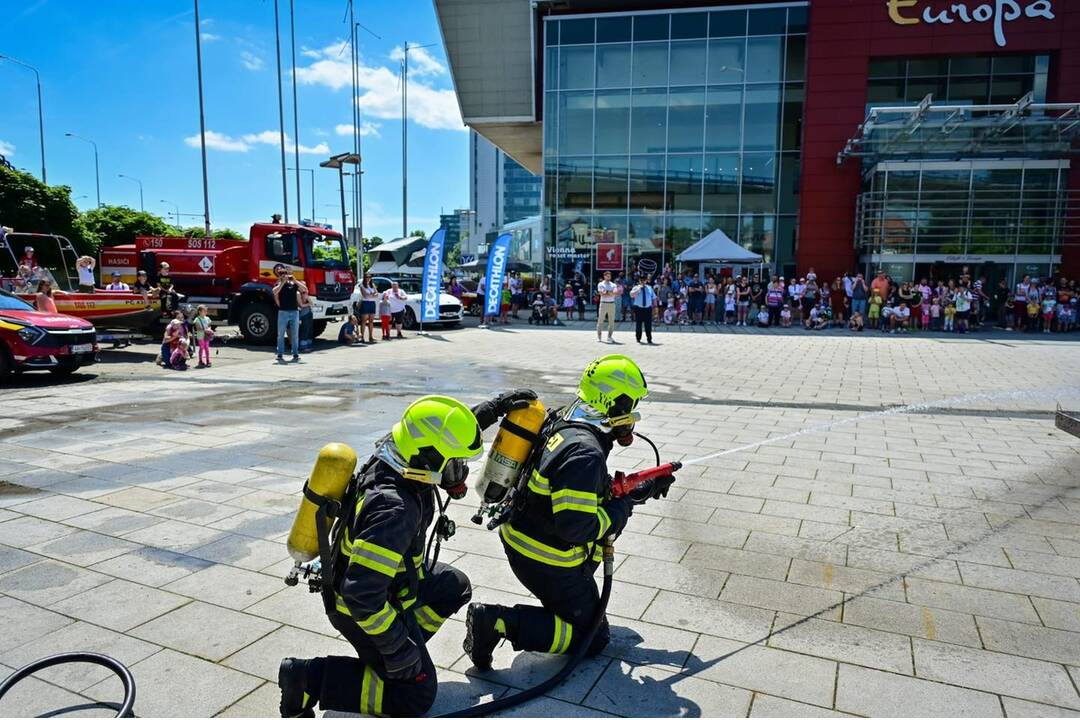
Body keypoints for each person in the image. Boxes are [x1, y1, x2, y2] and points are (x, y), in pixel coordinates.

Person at [279, 391, 534, 718]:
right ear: (430, 460)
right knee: (415, 698)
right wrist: (398, 649)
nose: (460, 475)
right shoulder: (395, 508)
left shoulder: (400, 452)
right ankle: (307, 678)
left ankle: (397, 652)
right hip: (358, 604)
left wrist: (493, 411)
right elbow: (361, 595)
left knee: (453, 585)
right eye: (455, 466)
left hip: (392, 581)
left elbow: (438, 435)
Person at [463, 356, 671, 671]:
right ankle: (496, 622)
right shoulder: (585, 451)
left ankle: (564, 602)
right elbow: (579, 527)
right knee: (593, 637)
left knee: (585, 611)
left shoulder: (567, 417)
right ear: (615, 403)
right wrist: (623, 506)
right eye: (632, 404)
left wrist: (634, 490)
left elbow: (574, 490)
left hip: (523, 533)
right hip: (546, 558)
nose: (634, 415)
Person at [273, 268, 304, 362]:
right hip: (283, 312)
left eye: (286, 274)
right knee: (281, 334)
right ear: (280, 276)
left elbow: (304, 289)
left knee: (295, 334)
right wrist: (282, 283)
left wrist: (295, 280)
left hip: (294, 312)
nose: (285, 276)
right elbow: (275, 291)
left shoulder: (293, 285)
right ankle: (280, 354)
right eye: (282, 274)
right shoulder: (278, 285)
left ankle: (295, 353)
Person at [630, 274, 655, 345]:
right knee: (639, 324)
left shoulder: (649, 288)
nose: (643, 282)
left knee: (648, 324)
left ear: (646, 281)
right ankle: (638, 338)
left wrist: (655, 307)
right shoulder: (636, 287)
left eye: (644, 280)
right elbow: (631, 295)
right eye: (641, 281)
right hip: (639, 308)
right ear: (639, 281)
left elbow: (653, 298)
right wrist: (638, 289)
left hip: (648, 308)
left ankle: (649, 339)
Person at [596, 270, 617, 343]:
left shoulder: (613, 285)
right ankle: (599, 336)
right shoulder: (601, 284)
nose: (608, 277)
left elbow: (615, 293)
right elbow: (602, 293)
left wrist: (607, 292)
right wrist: (610, 292)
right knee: (600, 320)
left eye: (609, 276)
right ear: (604, 276)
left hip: (612, 303)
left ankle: (609, 336)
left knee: (611, 322)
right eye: (607, 276)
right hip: (603, 303)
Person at [358, 274, 379, 344]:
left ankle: (371, 336)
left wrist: (371, 295)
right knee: (364, 321)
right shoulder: (362, 285)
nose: (368, 278)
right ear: (364, 278)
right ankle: (362, 337)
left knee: (371, 321)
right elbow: (365, 295)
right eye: (367, 277)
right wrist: (373, 294)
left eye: (369, 277)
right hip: (365, 303)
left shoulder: (372, 285)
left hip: (372, 303)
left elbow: (377, 294)